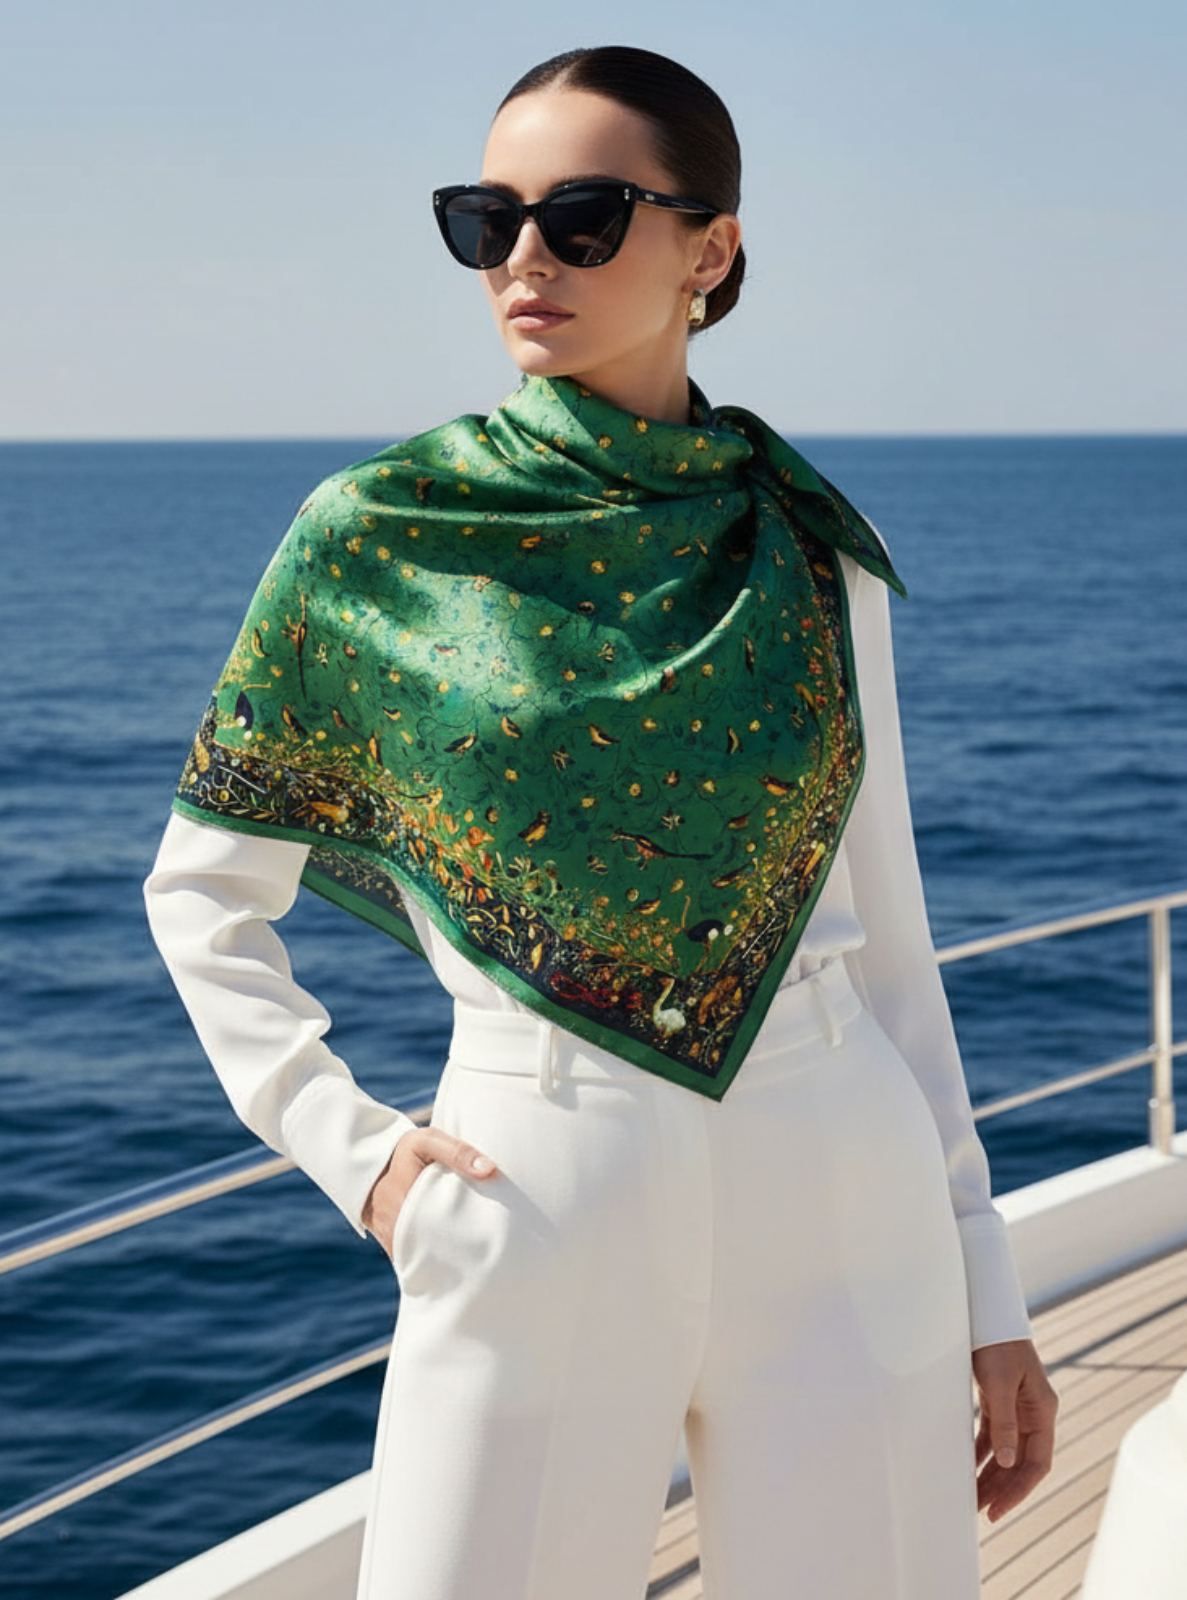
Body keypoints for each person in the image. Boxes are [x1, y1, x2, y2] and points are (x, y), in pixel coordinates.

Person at [143, 44, 1058, 1600]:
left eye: (579, 215)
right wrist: (359, 1158)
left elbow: (889, 934)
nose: (520, 257)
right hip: (532, 1189)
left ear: (712, 249)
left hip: (843, 1179)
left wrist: (986, 1280)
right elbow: (203, 898)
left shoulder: (805, 542)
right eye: (482, 217)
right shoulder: (377, 534)